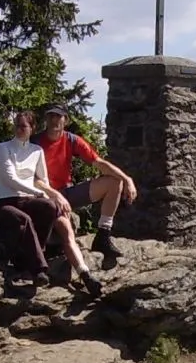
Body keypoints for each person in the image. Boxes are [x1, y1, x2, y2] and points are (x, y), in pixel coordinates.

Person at [0, 111, 103, 297]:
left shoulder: (36, 151)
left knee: (50, 208)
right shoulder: (4, 148)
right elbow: (9, 178)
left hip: (27, 199)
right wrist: (36, 193)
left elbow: (43, 180)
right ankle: (39, 269)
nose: (19, 130)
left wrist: (53, 199)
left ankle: (31, 258)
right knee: (23, 219)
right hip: (4, 201)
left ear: (32, 128)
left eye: (24, 126)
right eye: (17, 125)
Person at [34, 107, 137, 269]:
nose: (55, 120)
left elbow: (99, 163)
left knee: (114, 182)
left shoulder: (72, 140)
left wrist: (127, 178)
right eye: (51, 116)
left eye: (58, 117)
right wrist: (51, 194)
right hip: (43, 195)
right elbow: (30, 178)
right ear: (45, 119)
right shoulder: (35, 142)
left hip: (67, 193)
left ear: (65, 121)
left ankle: (103, 236)